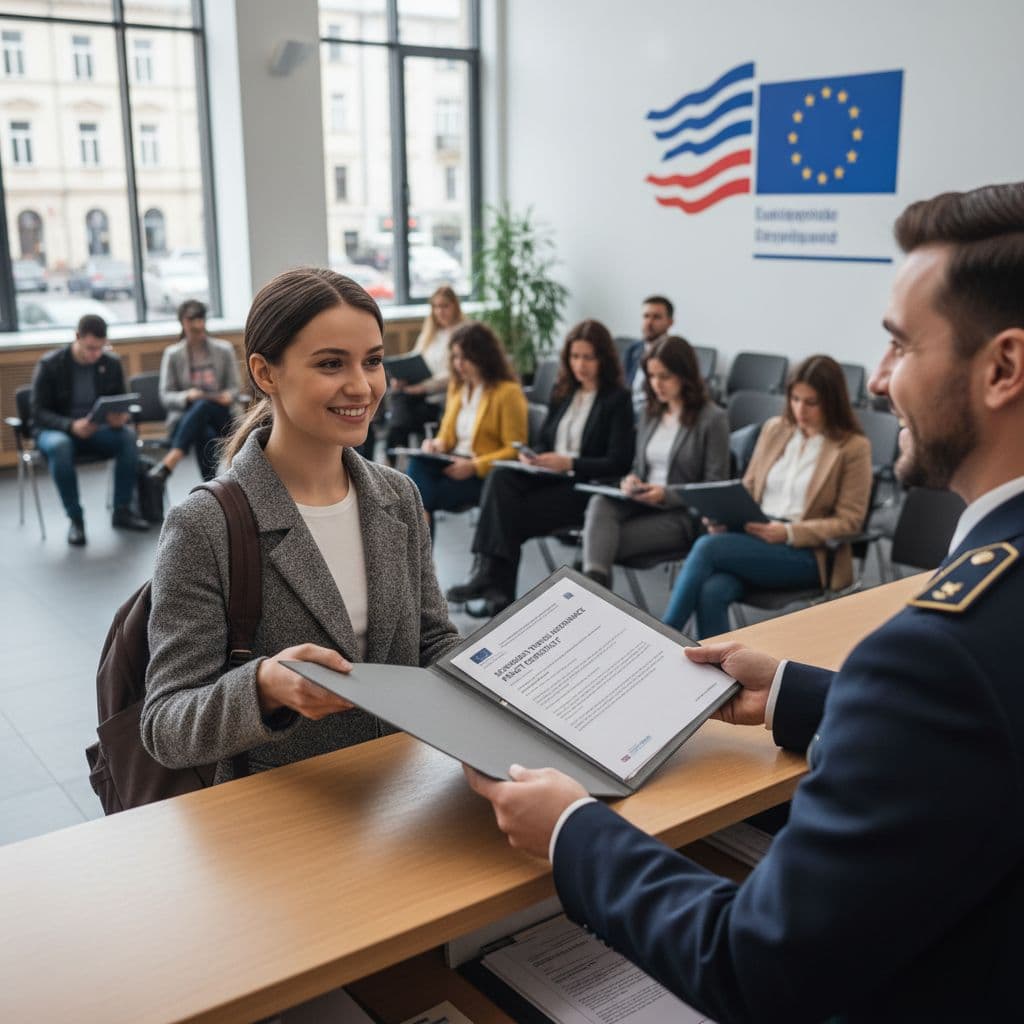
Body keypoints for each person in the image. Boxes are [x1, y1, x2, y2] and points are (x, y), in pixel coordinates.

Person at [464, 181, 1024, 1021]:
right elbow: (991, 729)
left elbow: (757, 967)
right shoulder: (967, 648)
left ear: (1003, 368)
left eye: (901, 346)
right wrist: (800, 694)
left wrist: (570, 830)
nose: (878, 383)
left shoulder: (938, 650)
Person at [141, 267, 461, 781]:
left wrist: (506, 668)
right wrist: (264, 685)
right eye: (332, 364)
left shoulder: (398, 497)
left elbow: (432, 642)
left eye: (373, 361)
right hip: (286, 811)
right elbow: (166, 724)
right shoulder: (204, 526)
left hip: (405, 791)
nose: (362, 386)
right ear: (266, 373)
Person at [661, 354, 872, 638]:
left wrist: (787, 532)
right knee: (713, 591)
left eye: (811, 402)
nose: (800, 409)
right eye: (795, 399)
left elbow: (850, 522)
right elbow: (748, 486)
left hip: (806, 553)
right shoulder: (775, 429)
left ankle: (663, 637)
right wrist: (725, 517)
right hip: (753, 537)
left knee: (708, 547)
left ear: (832, 402)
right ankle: (715, 669)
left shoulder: (853, 448)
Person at [445, 319, 634, 616]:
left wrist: (569, 462)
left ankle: (493, 585)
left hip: (585, 488)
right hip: (550, 477)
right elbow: (546, 440)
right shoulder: (565, 393)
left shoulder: (617, 400)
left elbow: (619, 461)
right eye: (574, 357)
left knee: (508, 514)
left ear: (603, 360)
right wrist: (535, 457)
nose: (580, 365)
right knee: (502, 476)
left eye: (588, 357)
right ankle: (490, 580)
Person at [581, 335, 730, 588]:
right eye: (652, 376)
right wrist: (630, 480)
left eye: (665, 376)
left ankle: (590, 595)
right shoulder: (651, 413)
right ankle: (593, 591)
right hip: (641, 502)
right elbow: (640, 467)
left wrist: (665, 494)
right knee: (599, 503)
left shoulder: (712, 419)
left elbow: (713, 487)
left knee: (598, 544)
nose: (657, 384)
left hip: (681, 514)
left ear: (684, 375)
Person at [30, 313, 149, 545]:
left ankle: (122, 509)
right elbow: (37, 412)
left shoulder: (111, 363)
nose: (96, 355)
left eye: (101, 348)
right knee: (60, 446)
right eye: (91, 348)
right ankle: (76, 519)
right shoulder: (50, 364)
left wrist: (119, 418)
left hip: (96, 428)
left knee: (127, 437)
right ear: (77, 337)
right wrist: (71, 426)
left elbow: (120, 401)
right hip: (58, 430)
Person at [405, 320, 527, 531]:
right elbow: (447, 435)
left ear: (483, 357)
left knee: (417, 498)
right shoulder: (458, 387)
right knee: (416, 469)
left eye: (465, 357)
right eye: (455, 357)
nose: (458, 364)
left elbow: (515, 450)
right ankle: (421, 561)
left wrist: (474, 466)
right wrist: (437, 444)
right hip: (453, 462)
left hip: (482, 474)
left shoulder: (507, 392)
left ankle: (420, 562)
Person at [149, 299, 241, 483]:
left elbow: (235, 388)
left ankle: (173, 460)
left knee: (204, 405)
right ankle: (213, 487)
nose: (198, 326)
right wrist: (186, 396)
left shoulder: (224, 350)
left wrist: (228, 396)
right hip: (187, 418)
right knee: (203, 429)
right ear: (183, 323)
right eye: (193, 322)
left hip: (222, 415)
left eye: (201, 321)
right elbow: (165, 396)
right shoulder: (173, 354)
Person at [386, 284, 463, 455]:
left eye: (444, 306)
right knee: (397, 393)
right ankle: (396, 450)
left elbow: (454, 376)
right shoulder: (430, 333)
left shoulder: (462, 334)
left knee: (399, 408)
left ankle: (393, 452)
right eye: (435, 307)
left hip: (439, 397)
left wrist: (423, 388)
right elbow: (414, 359)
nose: (439, 311)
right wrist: (401, 377)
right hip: (417, 392)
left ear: (455, 306)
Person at [623, 295, 674, 415]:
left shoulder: (675, 353)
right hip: (627, 411)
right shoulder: (633, 350)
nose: (649, 322)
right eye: (646, 316)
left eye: (656, 317)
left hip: (655, 413)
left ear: (670, 322)